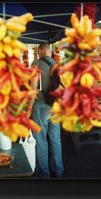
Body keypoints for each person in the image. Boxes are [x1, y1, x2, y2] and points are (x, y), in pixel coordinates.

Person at [28, 42, 64, 178]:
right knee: (55, 139)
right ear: (49, 51)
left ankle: (44, 174)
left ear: (40, 51)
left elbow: (32, 89)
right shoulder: (56, 64)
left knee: (41, 140)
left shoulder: (36, 64)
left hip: (41, 106)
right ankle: (58, 170)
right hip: (55, 107)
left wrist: (29, 108)